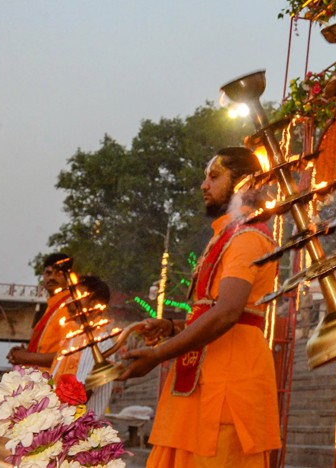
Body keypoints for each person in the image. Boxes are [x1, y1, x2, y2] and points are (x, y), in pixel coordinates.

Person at [120, 147, 280, 468]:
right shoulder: (225, 236)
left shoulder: (248, 238)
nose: (204, 185)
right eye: (205, 177)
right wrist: (171, 327)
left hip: (228, 387)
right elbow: (212, 310)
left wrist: (157, 355)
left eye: (214, 176)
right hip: (201, 382)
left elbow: (228, 313)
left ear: (244, 183)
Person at [52, 274, 115, 415]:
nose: (70, 301)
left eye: (78, 297)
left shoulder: (101, 341)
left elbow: (80, 395)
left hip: (78, 429)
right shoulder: (74, 338)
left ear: (96, 304)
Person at [8, 252, 73, 369]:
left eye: (58, 273)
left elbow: (70, 354)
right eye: (48, 273)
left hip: (55, 383)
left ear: (69, 277)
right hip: (40, 381)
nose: (52, 277)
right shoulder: (52, 307)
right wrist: (25, 354)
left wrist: (27, 357)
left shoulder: (70, 307)